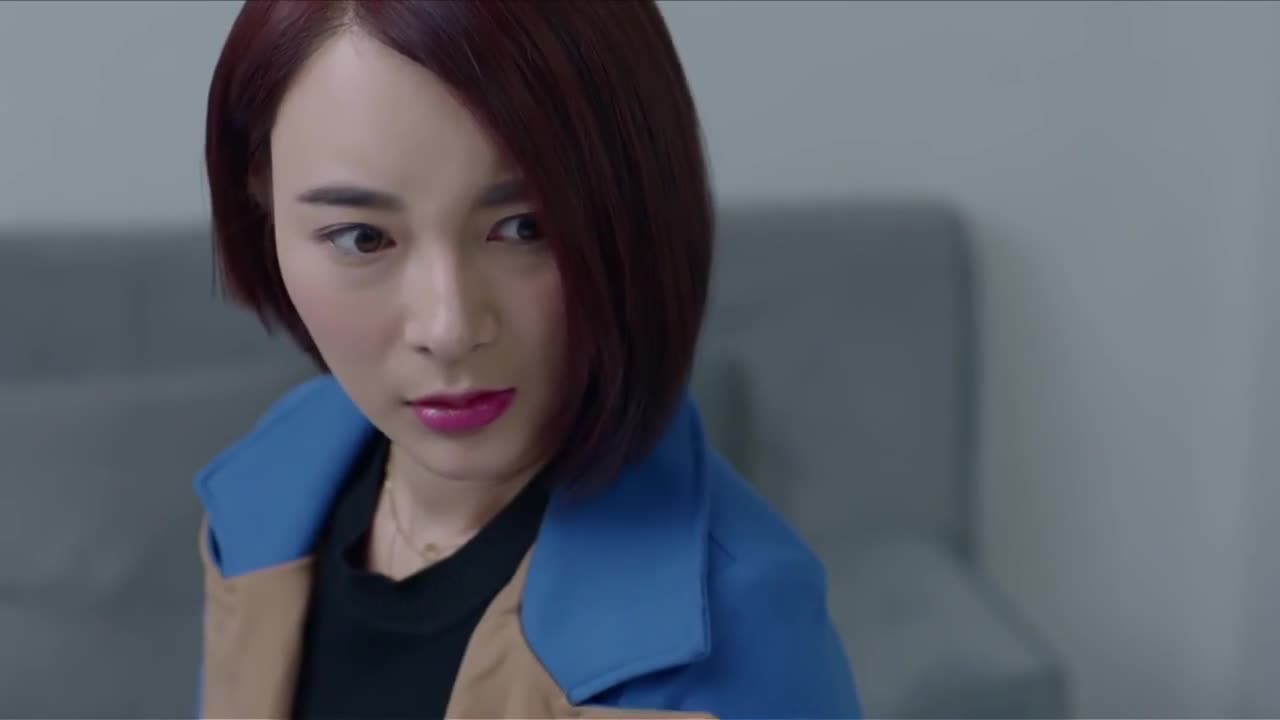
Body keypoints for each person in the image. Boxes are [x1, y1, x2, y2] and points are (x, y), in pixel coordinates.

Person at [195, 1, 860, 718]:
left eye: (524, 227)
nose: (449, 328)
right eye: (362, 238)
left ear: (637, 209)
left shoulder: (742, 627)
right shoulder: (272, 488)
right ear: (261, 202)